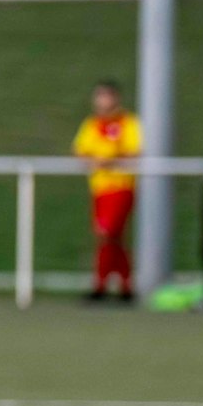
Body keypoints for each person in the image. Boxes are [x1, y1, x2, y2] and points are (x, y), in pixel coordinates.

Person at [71, 79, 141, 303]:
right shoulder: (91, 124)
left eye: (106, 96)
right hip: (100, 188)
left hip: (121, 187)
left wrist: (109, 160)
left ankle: (100, 286)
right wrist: (96, 161)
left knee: (107, 233)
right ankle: (125, 286)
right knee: (112, 238)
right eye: (99, 96)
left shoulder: (128, 123)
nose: (102, 101)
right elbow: (80, 151)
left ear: (115, 98)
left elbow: (134, 152)